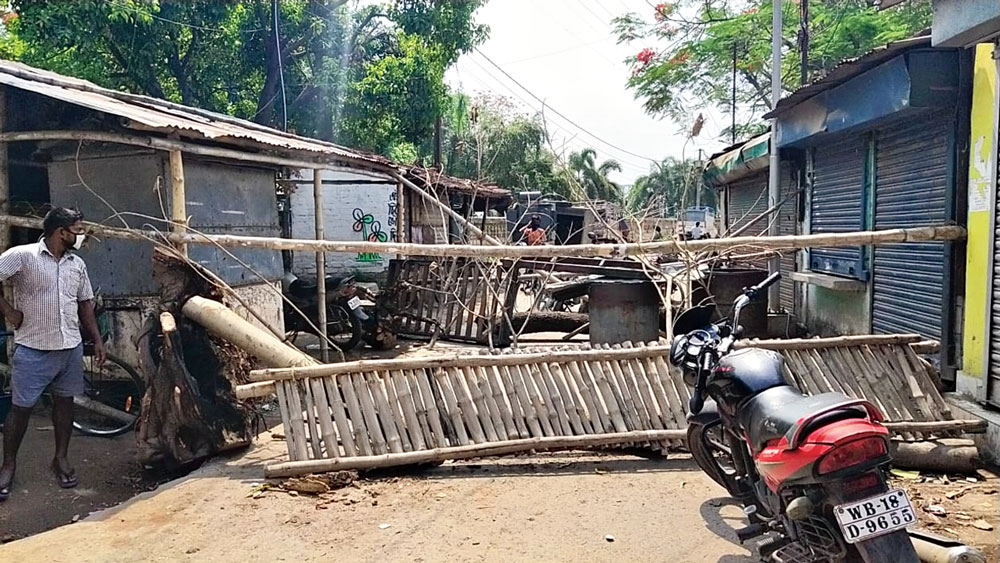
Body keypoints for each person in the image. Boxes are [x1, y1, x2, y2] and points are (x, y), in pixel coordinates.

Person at [0, 207, 104, 501]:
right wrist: (9, 312)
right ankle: (8, 465)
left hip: (69, 348)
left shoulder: (77, 265)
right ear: (61, 232)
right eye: (78, 229)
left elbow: (85, 304)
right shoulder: (23, 256)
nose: (81, 235)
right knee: (21, 409)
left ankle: (60, 458)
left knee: (64, 404)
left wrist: (96, 340)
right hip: (33, 348)